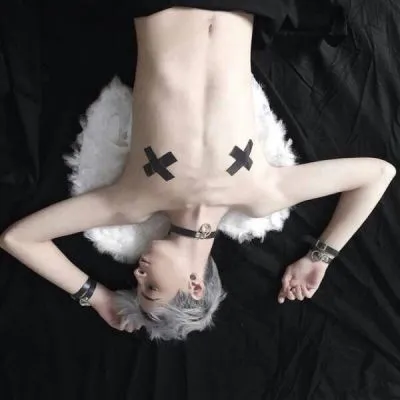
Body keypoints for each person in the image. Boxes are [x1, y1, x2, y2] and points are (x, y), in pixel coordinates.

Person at [0, 6, 396, 340]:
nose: (138, 275)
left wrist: (98, 296)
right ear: (194, 284)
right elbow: (378, 174)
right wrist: (320, 258)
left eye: (137, 285)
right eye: (151, 288)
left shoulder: (132, 201)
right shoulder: (261, 195)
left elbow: (18, 238)